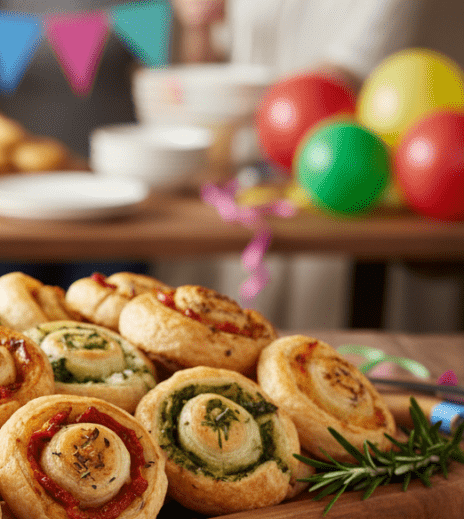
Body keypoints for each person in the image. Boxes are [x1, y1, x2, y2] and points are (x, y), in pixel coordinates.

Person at [163, 0, 424, 329]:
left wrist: (249, 113)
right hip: (233, 192)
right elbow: (205, 73)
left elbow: (332, 87)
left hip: (333, 189)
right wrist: (197, 25)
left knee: (316, 334)